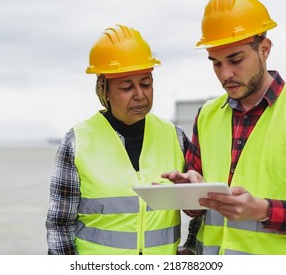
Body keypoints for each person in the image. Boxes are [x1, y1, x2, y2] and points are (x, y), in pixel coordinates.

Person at [162, 0, 286, 255]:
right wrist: (191, 193)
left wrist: (263, 210)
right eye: (216, 63)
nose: (225, 74)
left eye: (235, 60)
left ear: (265, 48)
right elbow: (197, 210)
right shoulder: (207, 115)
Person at [45, 24, 191, 255]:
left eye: (146, 83)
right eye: (126, 86)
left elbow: (205, 204)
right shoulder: (78, 142)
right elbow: (59, 225)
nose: (140, 94)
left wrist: (191, 247)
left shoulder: (175, 137)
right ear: (104, 89)